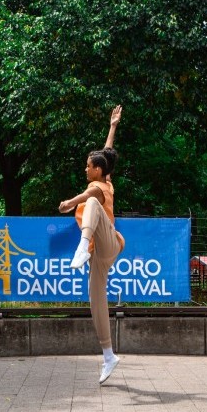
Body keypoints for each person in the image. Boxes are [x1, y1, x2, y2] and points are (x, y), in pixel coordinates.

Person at [58, 105, 126, 384]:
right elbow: (105, 156)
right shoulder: (104, 172)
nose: (85, 168)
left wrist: (71, 203)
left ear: (97, 170)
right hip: (99, 252)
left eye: (88, 166)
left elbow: (92, 191)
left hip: (109, 241)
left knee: (93, 202)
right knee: (96, 300)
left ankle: (81, 245)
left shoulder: (101, 187)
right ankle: (109, 355)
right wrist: (112, 127)